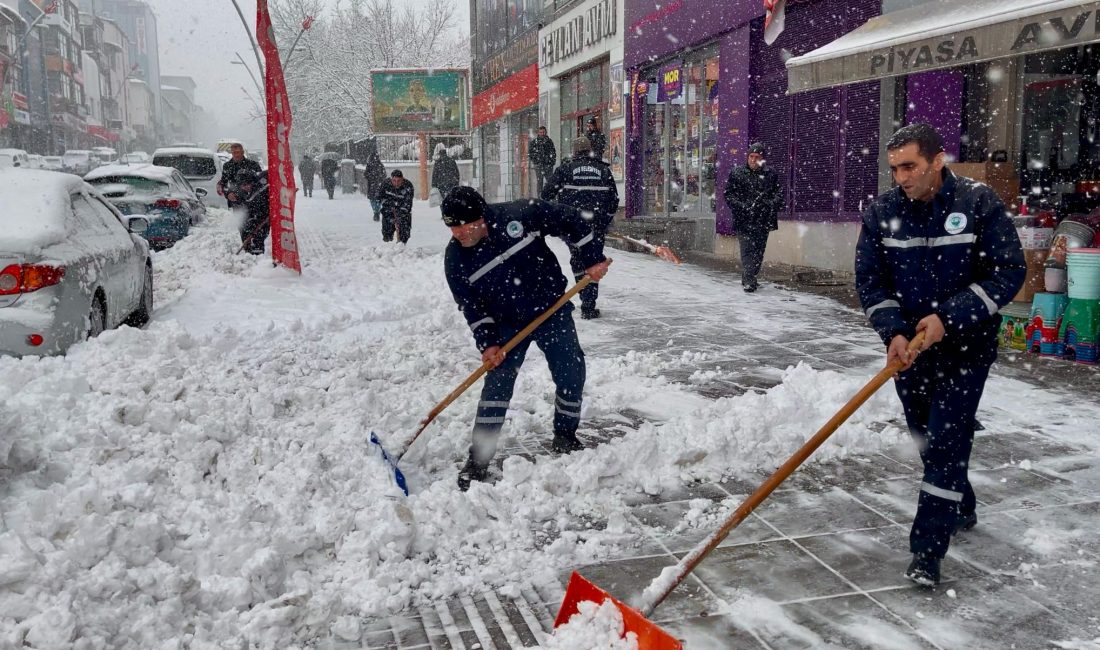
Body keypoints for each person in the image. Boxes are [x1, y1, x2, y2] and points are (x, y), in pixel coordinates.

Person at [855, 123, 1026, 586]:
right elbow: (871, 280)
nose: (902, 177)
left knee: (946, 439)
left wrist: (949, 318)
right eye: (895, 169)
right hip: (910, 353)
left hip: (966, 349)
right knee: (925, 436)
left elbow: (1008, 271)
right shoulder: (883, 212)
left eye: (910, 166)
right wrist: (892, 331)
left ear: (937, 160)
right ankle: (961, 502)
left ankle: (927, 552)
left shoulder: (978, 204)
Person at [440, 187, 612, 491]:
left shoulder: (519, 215)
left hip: (551, 310)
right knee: (497, 386)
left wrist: (591, 259)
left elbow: (573, 221)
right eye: (451, 227)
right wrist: (488, 342)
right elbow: (470, 306)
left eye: (464, 226)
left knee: (571, 372)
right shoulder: (456, 259)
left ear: (481, 216)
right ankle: (478, 461)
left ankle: (565, 435)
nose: (458, 234)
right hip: (506, 325)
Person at [541, 136, 619, 319]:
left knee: (578, 259)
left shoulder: (566, 169)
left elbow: (546, 195)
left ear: (575, 151)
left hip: (573, 225)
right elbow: (614, 200)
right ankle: (589, 304)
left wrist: (559, 213)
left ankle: (586, 299)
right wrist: (604, 220)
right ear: (590, 150)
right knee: (594, 261)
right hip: (596, 226)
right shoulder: (603, 170)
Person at [723, 142, 783, 292]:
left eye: (757, 157)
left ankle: (750, 276)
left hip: (763, 219)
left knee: (759, 252)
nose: (753, 160)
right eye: (751, 156)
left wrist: (768, 204)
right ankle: (749, 280)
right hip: (744, 219)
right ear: (747, 157)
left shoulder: (771, 174)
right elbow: (729, 195)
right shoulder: (737, 173)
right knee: (748, 250)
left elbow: (779, 195)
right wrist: (742, 206)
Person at [233, 169, 270, 255]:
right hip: (253, 215)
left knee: (261, 232)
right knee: (245, 227)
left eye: (247, 184)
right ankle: (248, 249)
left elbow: (272, 171)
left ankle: (259, 250)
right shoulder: (241, 192)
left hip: (265, 215)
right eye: (242, 185)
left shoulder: (262, 185)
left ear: (251, 181)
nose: (245, 187)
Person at [217, 143, 262, 209]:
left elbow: (261, 181)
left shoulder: (253, 165)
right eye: (233, 152)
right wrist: (228, 194)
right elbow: (224, 183)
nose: (235, 155)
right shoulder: (227, 166)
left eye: (237, 152)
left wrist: (251, 186)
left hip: (253, 200)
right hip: (235, 201)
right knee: (239, 219)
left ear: (242, 152)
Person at [377, 169, 414, 243]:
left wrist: (400, 215)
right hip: (388, 210)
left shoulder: (408, 186)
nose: (396, 183)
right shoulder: (385, 184)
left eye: (399, 181)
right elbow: (379, 197)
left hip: (402, 211)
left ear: (402, 179)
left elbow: (408, 204)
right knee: (387, 231)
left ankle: (402, 246)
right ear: (391, 179)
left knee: (404, 232)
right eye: (394, 181)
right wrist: (389, 205)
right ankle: (388, 243)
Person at [529, 126, 557, 194]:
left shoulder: (549, 141)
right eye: (541, 132)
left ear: (546, 132)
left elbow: (553, 152)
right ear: (538, 133)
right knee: (539, 182)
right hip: (539, 165)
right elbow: (531, 153)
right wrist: (536, 161)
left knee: (550, 181)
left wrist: (551, 162)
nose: (542, 133)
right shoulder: (534, 142)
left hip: (548, 165)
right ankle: (540, 198)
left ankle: (551, 196)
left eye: (543, 132)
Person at [363, 153, 387, 221]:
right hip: (379, 185)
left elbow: (365, 174)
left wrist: (371, 177)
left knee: (372, 199)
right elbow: (384, 175)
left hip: (372, 185)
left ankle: (375, 211)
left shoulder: (369, 165)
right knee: (378, 199)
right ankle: (377, 211)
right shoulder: (381, 165)